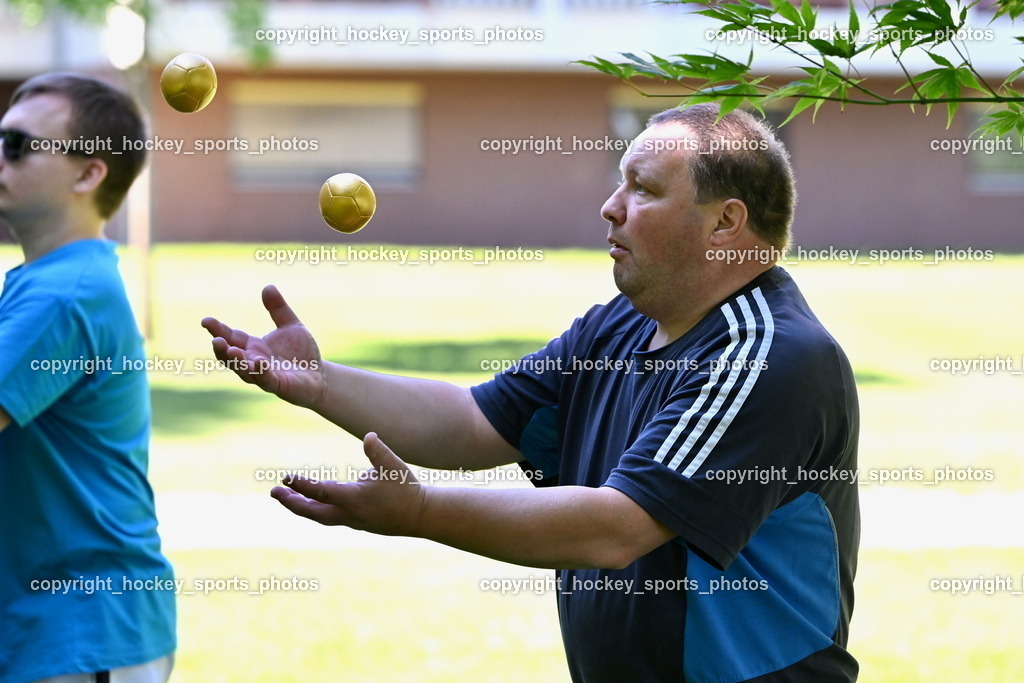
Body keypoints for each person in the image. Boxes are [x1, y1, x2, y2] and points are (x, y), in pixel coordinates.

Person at [203, 103, 859, 682]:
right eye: (619, 180)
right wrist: (322, 384)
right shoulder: (619, 326)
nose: (611, 205)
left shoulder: (768, 357)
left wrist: (420, 512)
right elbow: (470, 422)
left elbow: (617, 527)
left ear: (725, 224)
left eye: (644, 188)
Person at [0, 74, 175, 683]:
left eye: (17, 145)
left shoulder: (63, 293)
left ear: (87, 174)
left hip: (83, 628)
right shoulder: (57, 280)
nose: (1, 156)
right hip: (61, 626)